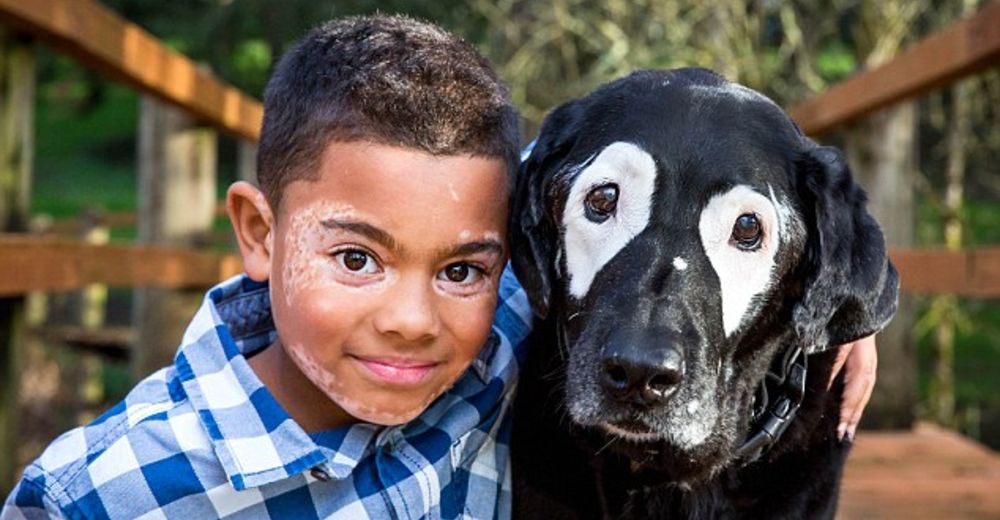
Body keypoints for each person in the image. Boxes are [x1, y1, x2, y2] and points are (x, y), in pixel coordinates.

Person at [2, 14, 877, 519]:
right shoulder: (104, 492)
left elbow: (589, 180)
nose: (413, 319)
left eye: (462, 269)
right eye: (355, 257)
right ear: (258, 234)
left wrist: (837, 307)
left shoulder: (483, 345)